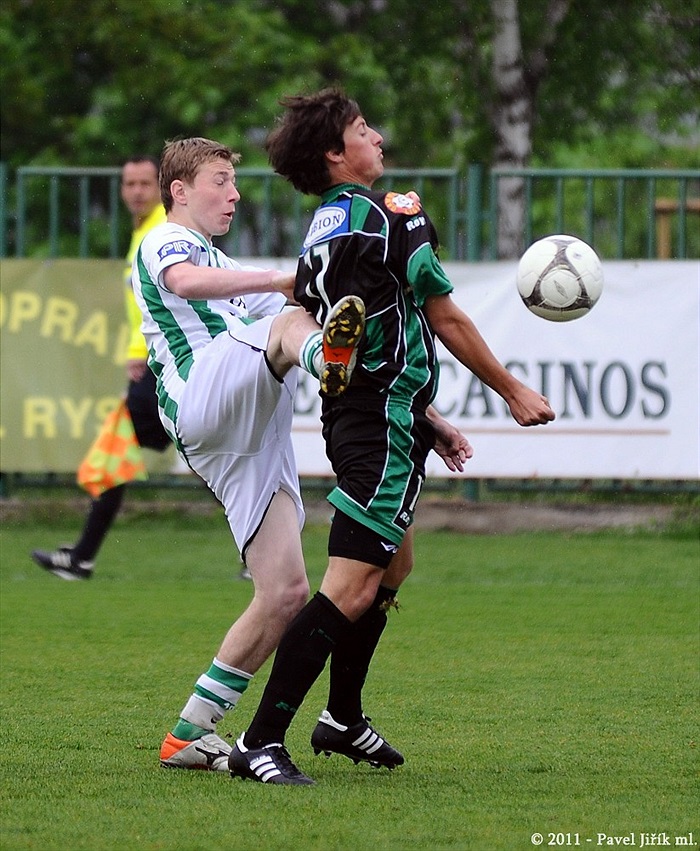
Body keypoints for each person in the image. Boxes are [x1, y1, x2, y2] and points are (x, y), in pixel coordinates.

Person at [228, 88, 556, 785]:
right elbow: (446, 317)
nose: (378, 136)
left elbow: (367, 333)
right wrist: (514, 389)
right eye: (363, 129)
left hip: (375, 416)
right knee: (348, 587)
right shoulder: (391, 215)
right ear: (334, 154)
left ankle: (342, 718)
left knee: (391, 570)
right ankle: (259, 741)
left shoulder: (320, 231)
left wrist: (426, 416)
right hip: (376, 425)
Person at [129, 136, 373, 772]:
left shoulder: (224, 265)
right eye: (220, 180)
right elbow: (186, 281)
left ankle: (189, 734)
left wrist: (430, 416)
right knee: (291, 323)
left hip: (248, 433)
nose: (233, 193)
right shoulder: (166, 240)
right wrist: (284, 280)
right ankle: (326, 364)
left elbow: (296, 301)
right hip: (202, 396)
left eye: (233, 182)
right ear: (180, 191)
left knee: (286, 591)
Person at [32, 156, 172, 581]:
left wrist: (145, 352)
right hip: (152, 364)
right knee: (194, 452)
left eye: (145, 183)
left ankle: (82, 558)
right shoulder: (144, 231)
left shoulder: (163, 230)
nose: (136, 191)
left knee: (192, 451)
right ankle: (82, 556)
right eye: (129, 183)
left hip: (163, 365)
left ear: (160, 185)